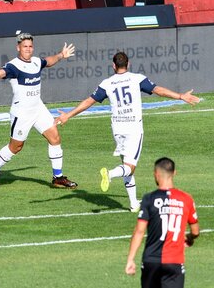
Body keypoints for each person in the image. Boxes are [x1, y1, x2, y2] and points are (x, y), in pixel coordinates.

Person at [55, 52, 200, 212]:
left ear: (113, 65)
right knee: (130, 167)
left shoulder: (107, 83)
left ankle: (133, 204)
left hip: (117, 129)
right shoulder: (137, 79)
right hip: (133, 128)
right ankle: (110, 174)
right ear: (128, 64)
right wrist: (180, 96)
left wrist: (68, 115)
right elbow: (158, 90)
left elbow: (89, 101)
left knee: (127, 165)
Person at [0, 33, 77, 189]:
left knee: (55, 138)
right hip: (22, 113)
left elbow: (48, 62)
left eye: (31, 46)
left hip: (38, 108)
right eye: (25, 46)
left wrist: (61, 55)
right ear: (18, 48)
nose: (28, 49)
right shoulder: (13, 66)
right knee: (16, 147)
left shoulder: (36, 62)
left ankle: (57, 177)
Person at [125, 157, 200, 288]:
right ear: (174, 173)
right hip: (174, 262)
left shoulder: (149, 199)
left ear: (156, 174)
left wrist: (130, 259)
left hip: (151, 261)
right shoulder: (186, 199)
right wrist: (190, 238)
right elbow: (195, 231)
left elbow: (139, 231)